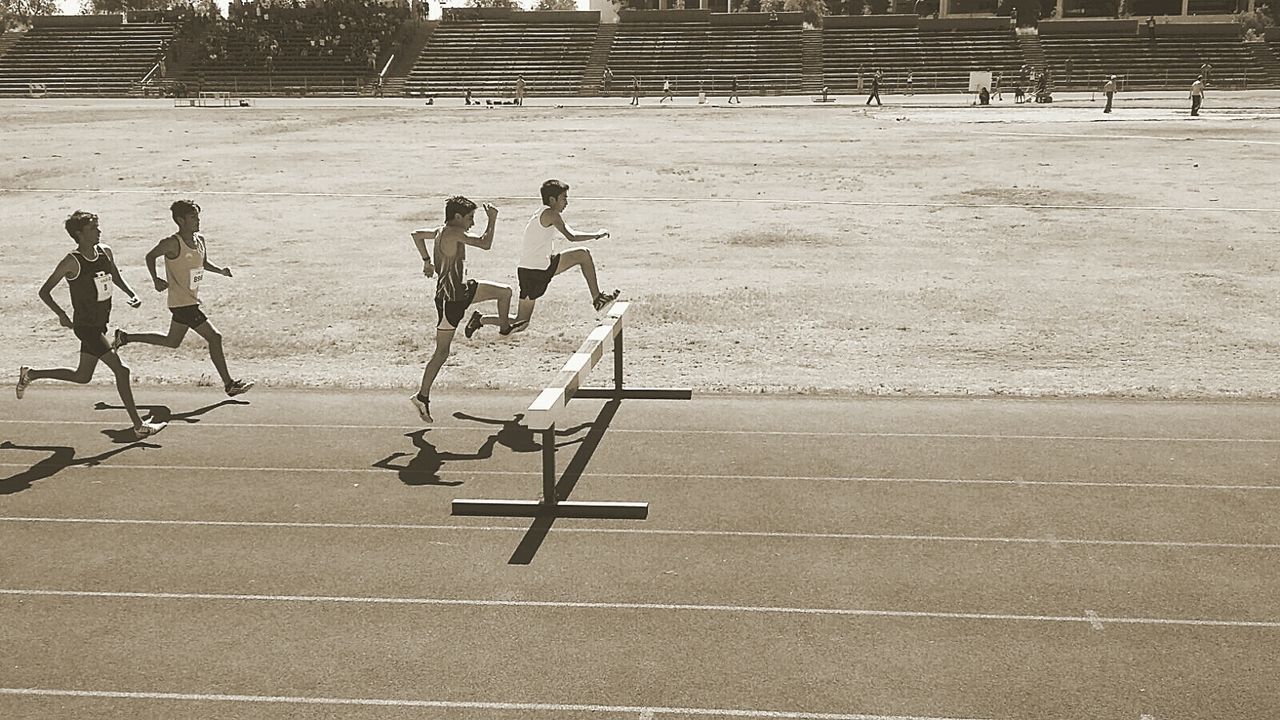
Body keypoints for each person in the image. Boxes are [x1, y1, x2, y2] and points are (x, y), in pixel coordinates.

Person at [15, 211, 166, 439]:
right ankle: (138, 425)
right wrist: (62, 315)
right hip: (86, 327)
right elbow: (44, 292)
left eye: (98, 227)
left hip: (100, 323)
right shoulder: (71, 262)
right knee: (122, 370)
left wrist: (131, 293)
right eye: (93, 228)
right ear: (79, 234)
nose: (99, 231)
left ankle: (31, 374)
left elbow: (113, 275)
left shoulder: (105, 251)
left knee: (82, 376)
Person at [111, 200, 253, 398]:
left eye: (197, 216)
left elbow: (202, 263)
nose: (197, 220)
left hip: (190, 300)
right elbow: (150, 256)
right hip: (182, 304)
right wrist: (156, 280)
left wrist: (220, 271)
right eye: (193, 217)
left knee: (172, 341)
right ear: (180, 220)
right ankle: (229, 384)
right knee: (215, 337)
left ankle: (124, 337)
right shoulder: (172, 243)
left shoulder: (200, 240)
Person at [409, 197, 520, 423]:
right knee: (441, 353)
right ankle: (422, 397)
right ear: (457, 217)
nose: (472, 223)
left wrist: (426, 262)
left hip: (463, 291)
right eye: (470, 218)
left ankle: (501, 328)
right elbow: (484, 243)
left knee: (505, 292)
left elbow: (417, 235)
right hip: (450, 301)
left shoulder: (441, 231)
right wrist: (493, 220)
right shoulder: (451, 233)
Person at [491, 179, 618, 336]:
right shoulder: (551, 214)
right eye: (564, 198)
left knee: (582, 254)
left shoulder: (543, 212)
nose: (567, 202)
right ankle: (481, 319)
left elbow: (569, 232)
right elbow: (571, 236)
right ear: (552, 200)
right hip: (533, 272)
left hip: (544, 265)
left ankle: (598, 299)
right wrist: (596, 235)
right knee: (522, 322)